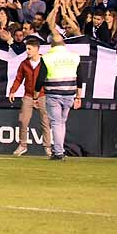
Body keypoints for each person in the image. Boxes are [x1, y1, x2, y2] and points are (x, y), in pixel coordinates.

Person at [37, 11, 83, 161]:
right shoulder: (74, 56)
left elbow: (40, 78)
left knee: (56, 123)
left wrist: (36, 94)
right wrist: (79, 96)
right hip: (69, 93)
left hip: (54, 94)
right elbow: (80, 77)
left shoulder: (48, 57)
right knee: (62, 122)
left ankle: (58, 152)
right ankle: (60, 149)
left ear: (51, 44)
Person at [8, 37, 52, 157]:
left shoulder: (45, 61)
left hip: (43, 95)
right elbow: (18, 78)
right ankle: (23, 145)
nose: (27, 51)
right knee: (23, 120)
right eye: (27, 49)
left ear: (37, 49)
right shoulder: (24, 63)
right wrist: (13, 91)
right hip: (28, 95)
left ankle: (47, 147)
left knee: (45, 122)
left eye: (29, 49)